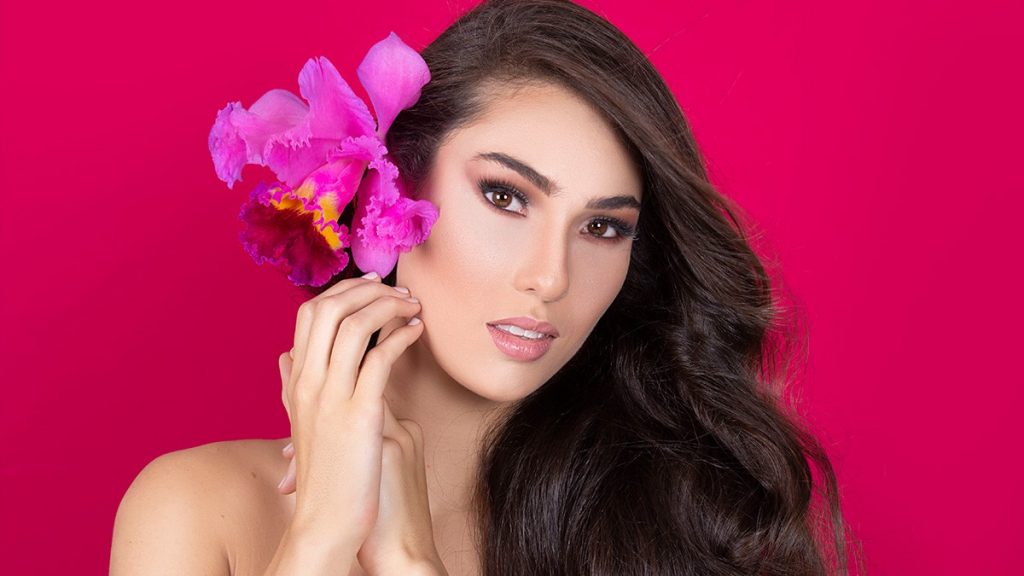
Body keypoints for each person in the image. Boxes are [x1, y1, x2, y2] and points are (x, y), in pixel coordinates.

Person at [110, 0, 853, 574]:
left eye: (602, 227)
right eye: (505, 197)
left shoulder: (678, 528)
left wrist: (408, 561)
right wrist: (321, 538)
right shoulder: (196, 511)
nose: (550, 277)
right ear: (388, 185)